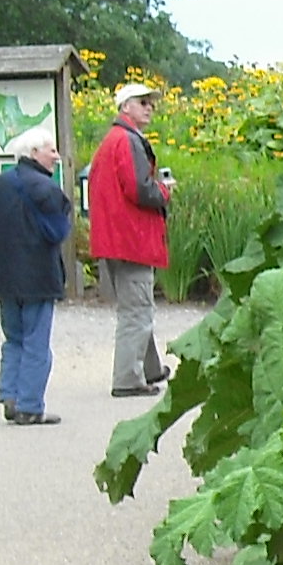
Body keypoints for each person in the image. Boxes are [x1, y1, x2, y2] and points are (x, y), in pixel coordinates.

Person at [86, 80, 175, 398]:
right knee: (137, 310)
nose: (149, 107)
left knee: (137, 305)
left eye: (151, 102)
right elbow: (140, 190)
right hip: (131, 240)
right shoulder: (127, 141)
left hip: (115, 239)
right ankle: (127, 379)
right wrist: (164, 191)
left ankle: (149, 369)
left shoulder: (113, 140)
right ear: (126, 107)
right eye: (142, 102)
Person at [0, 122, 73, 425]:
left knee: (14, 338)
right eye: (51, 150)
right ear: (34, 153)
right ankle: (31, 406)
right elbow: (59, 231)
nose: (56, 157)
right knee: (36, 341)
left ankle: (10, 394)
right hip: (39, 278)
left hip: (4, 277)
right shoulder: (47, 189)